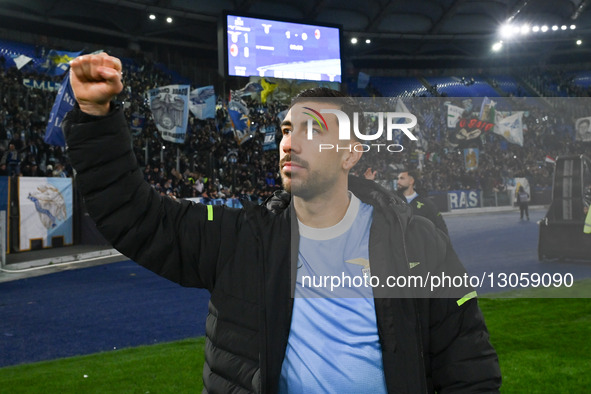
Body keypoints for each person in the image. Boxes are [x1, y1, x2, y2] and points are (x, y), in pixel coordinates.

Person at [64, 53, 501, 393]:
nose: (290, 141)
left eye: (313, 129)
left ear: (351, 153)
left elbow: (468, 363)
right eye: (287, 129)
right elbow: (135, 217)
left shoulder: (417, 242)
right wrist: (93, 116)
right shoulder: (241, 239)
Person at [396, 169, 449, 234]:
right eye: (398, 179)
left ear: (411, 181)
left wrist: (446, 243)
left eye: (402, 178)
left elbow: (440, 226)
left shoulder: (426, 203)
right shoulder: (392, 201)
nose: (398, 181)